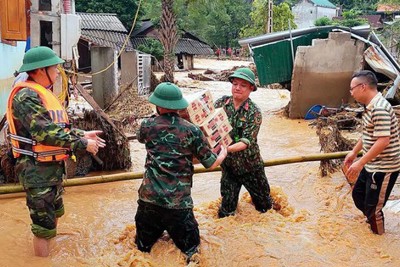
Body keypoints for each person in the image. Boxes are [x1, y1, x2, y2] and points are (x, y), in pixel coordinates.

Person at [6, 46, 106, 256]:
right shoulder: (26, 97)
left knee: (54, 214)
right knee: (43, 228)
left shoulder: (42, 94)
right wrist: (82, 144)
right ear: (41, 70)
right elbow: (45, 133)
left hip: (51, 169)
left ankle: (50, 253)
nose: (57, 71)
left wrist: (81, 135)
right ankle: (42, 260)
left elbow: (58, 128)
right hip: (37, 171)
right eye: (54, 67)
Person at [135, 82, 227, 263]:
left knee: (142, 251)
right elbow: (210, 163)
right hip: (179, 205)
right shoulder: (192, 130)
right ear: (179, 105)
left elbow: (142, 139)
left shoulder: (147, 125)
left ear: (158, 105)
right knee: (193, 253)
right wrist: (222, 153)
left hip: (148, 201)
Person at [344, 70, 400, 235]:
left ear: (363, 87)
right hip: (371, 163)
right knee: (358, 195)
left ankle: (379, 239)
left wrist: (360, 163)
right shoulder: (369, 107)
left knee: (374, 208)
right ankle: (371, 220)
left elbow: (383, 141)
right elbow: (368, 134)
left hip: (384, 167)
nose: (351, 92)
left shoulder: (379, 108)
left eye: (352, 88)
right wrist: (354, 152)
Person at [214, 67, 273, 218]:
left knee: (265, 209)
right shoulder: (221, 103)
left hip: (251, 167)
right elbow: (207, 122)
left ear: (251, 88)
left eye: (243, 85)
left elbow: (246, 141)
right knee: (226, 213)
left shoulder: (254, 112)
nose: (237, 88)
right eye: (235, 84)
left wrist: (225, 149)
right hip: (229, 168)